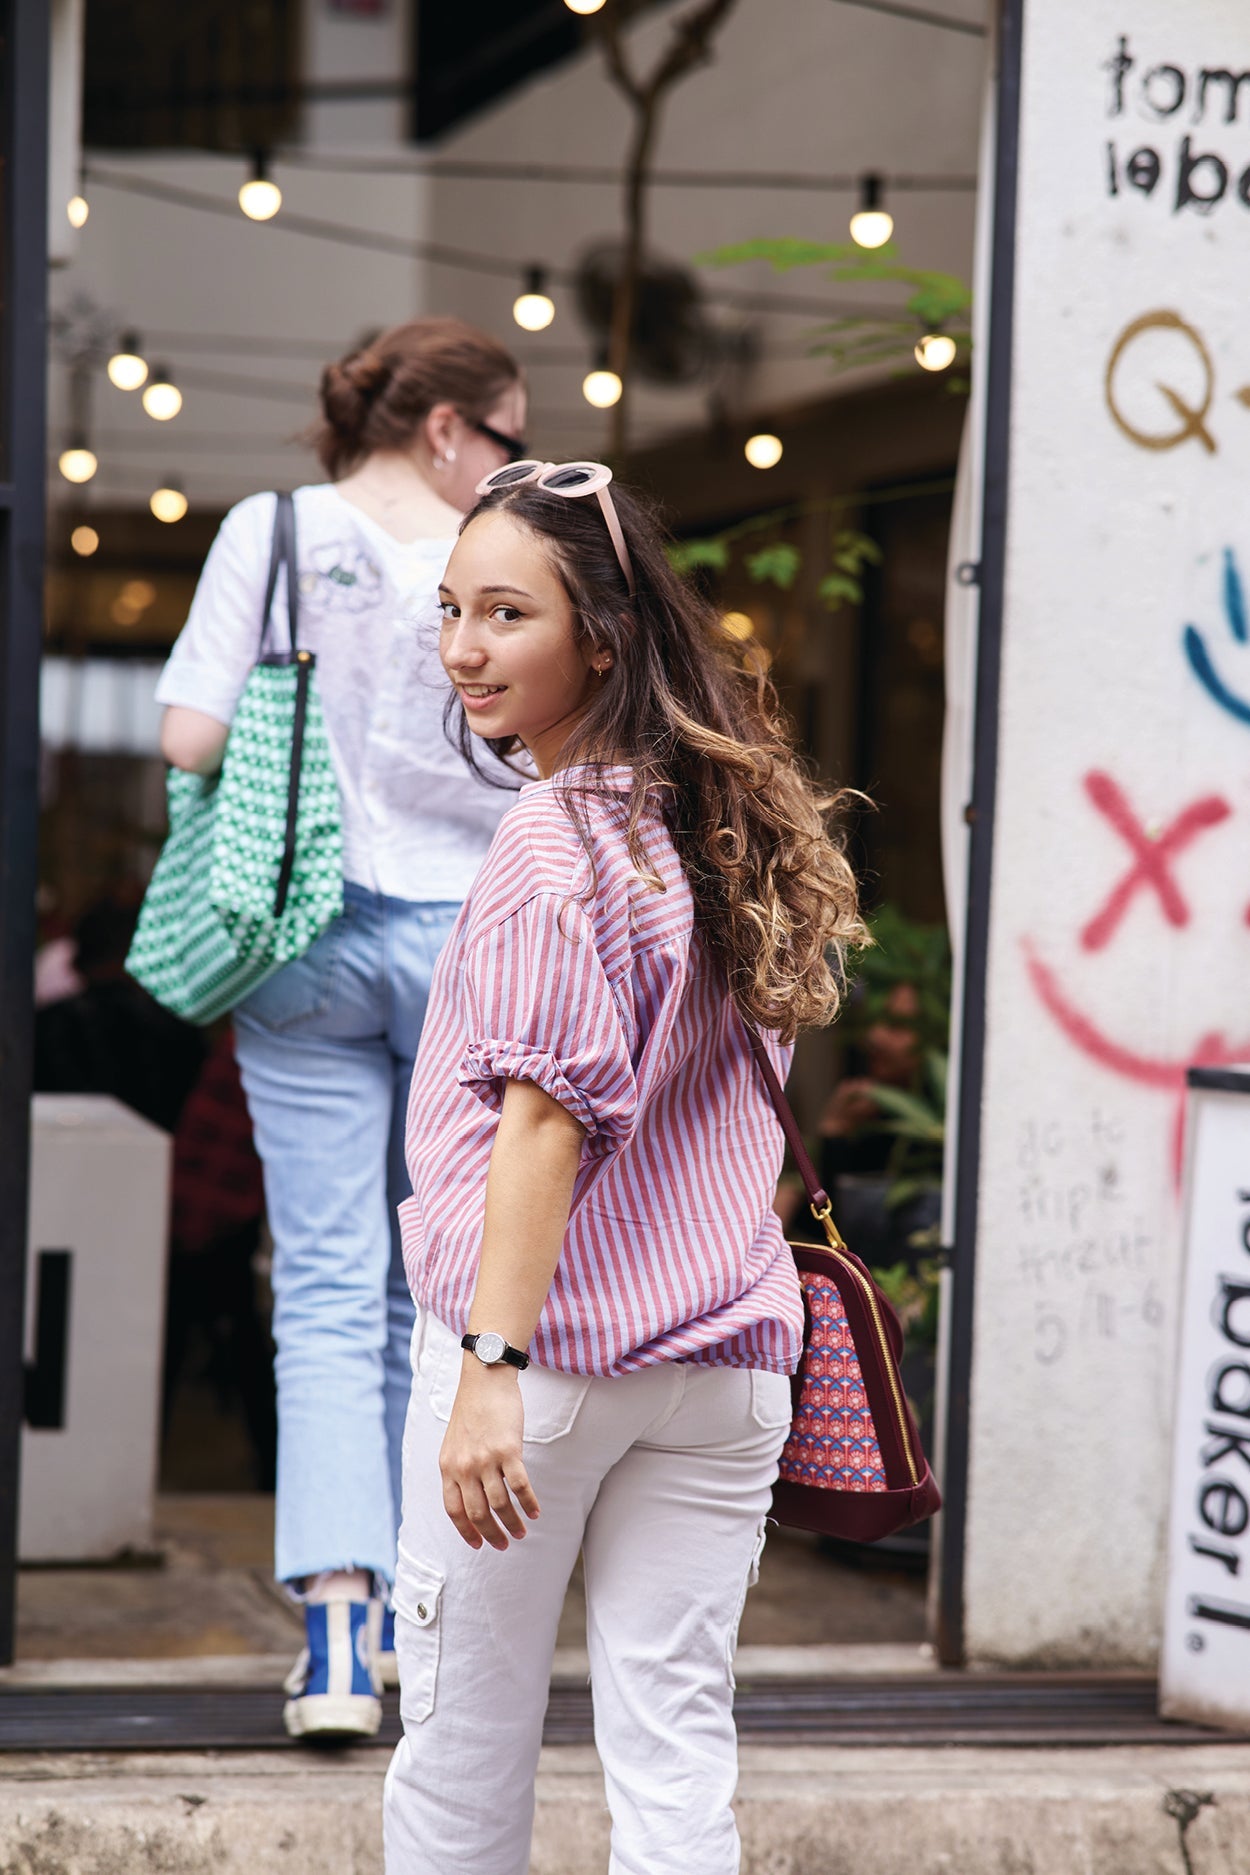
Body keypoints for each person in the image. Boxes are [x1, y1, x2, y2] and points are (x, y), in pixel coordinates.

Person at [384, 460, 866, 1872]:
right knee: (671, 1761)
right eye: (451, 610)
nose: (463, 648)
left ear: (598, 636)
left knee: (463, 1763)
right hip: (722, 1362)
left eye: (506, 614)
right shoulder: (724, 823)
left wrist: (488, 1367)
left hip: (543, 1362)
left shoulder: (553, 840)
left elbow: (547, 1124)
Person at [155, 318, 528, 1740]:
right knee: (452, 1289)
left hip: (298, 927)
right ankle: (436, 1630)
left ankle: (331, 1638)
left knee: (319, 1285)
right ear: (446, 432)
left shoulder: (274, 528)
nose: (514, 461)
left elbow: (188, 737)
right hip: (469, 945)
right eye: (507, 436)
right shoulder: (499, 559)